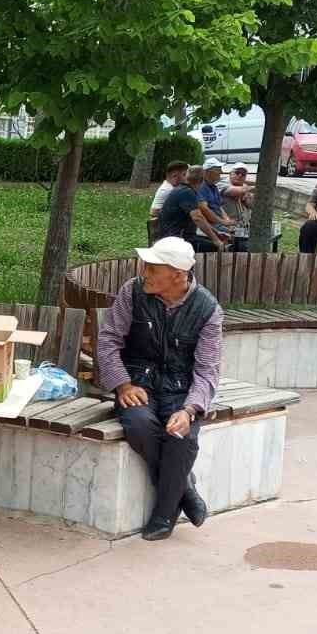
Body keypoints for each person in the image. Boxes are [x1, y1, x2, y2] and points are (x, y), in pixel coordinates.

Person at [95, 236, 225, 541]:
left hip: (182, 392)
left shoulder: (208, 310)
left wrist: (189, 409)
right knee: (139, 423)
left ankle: (164, 515)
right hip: (139, 383)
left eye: (153, 269)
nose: (144, 273)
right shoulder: (132, 291)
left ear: (178, 275)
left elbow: (207, 370)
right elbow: (109, 340)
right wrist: (123, 383)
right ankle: (184, 489)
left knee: (180, 435)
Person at [156, 162, 230, 252]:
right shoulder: (186, 192)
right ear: (202, 181)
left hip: (180, 237)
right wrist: (216, 240)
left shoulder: (185, 189)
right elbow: (198, 218)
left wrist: (216, 233)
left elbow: (200, 218)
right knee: (221, 249)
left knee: (219, 244)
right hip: (175, 240)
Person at [194, 160, 238, 249]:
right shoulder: (202, 186)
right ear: (207, 172)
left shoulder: (213, 186)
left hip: (218, 223)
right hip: (210, 225)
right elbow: (204, 210)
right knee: (236, 239)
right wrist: (223, 222)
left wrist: (227, 220)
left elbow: (219, 206)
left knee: (238, 234)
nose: (221, 172)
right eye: (218, 169)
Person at [222, 165, 255, 252]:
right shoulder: (223, 183)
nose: (240, 175)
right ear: (230, 174)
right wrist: (247, 190)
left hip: (243, 230)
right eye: (237, 173)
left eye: (243, 174)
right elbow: (234, 191)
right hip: (226, 230)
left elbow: (252, 204)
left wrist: (247, 196)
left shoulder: (244, 187)